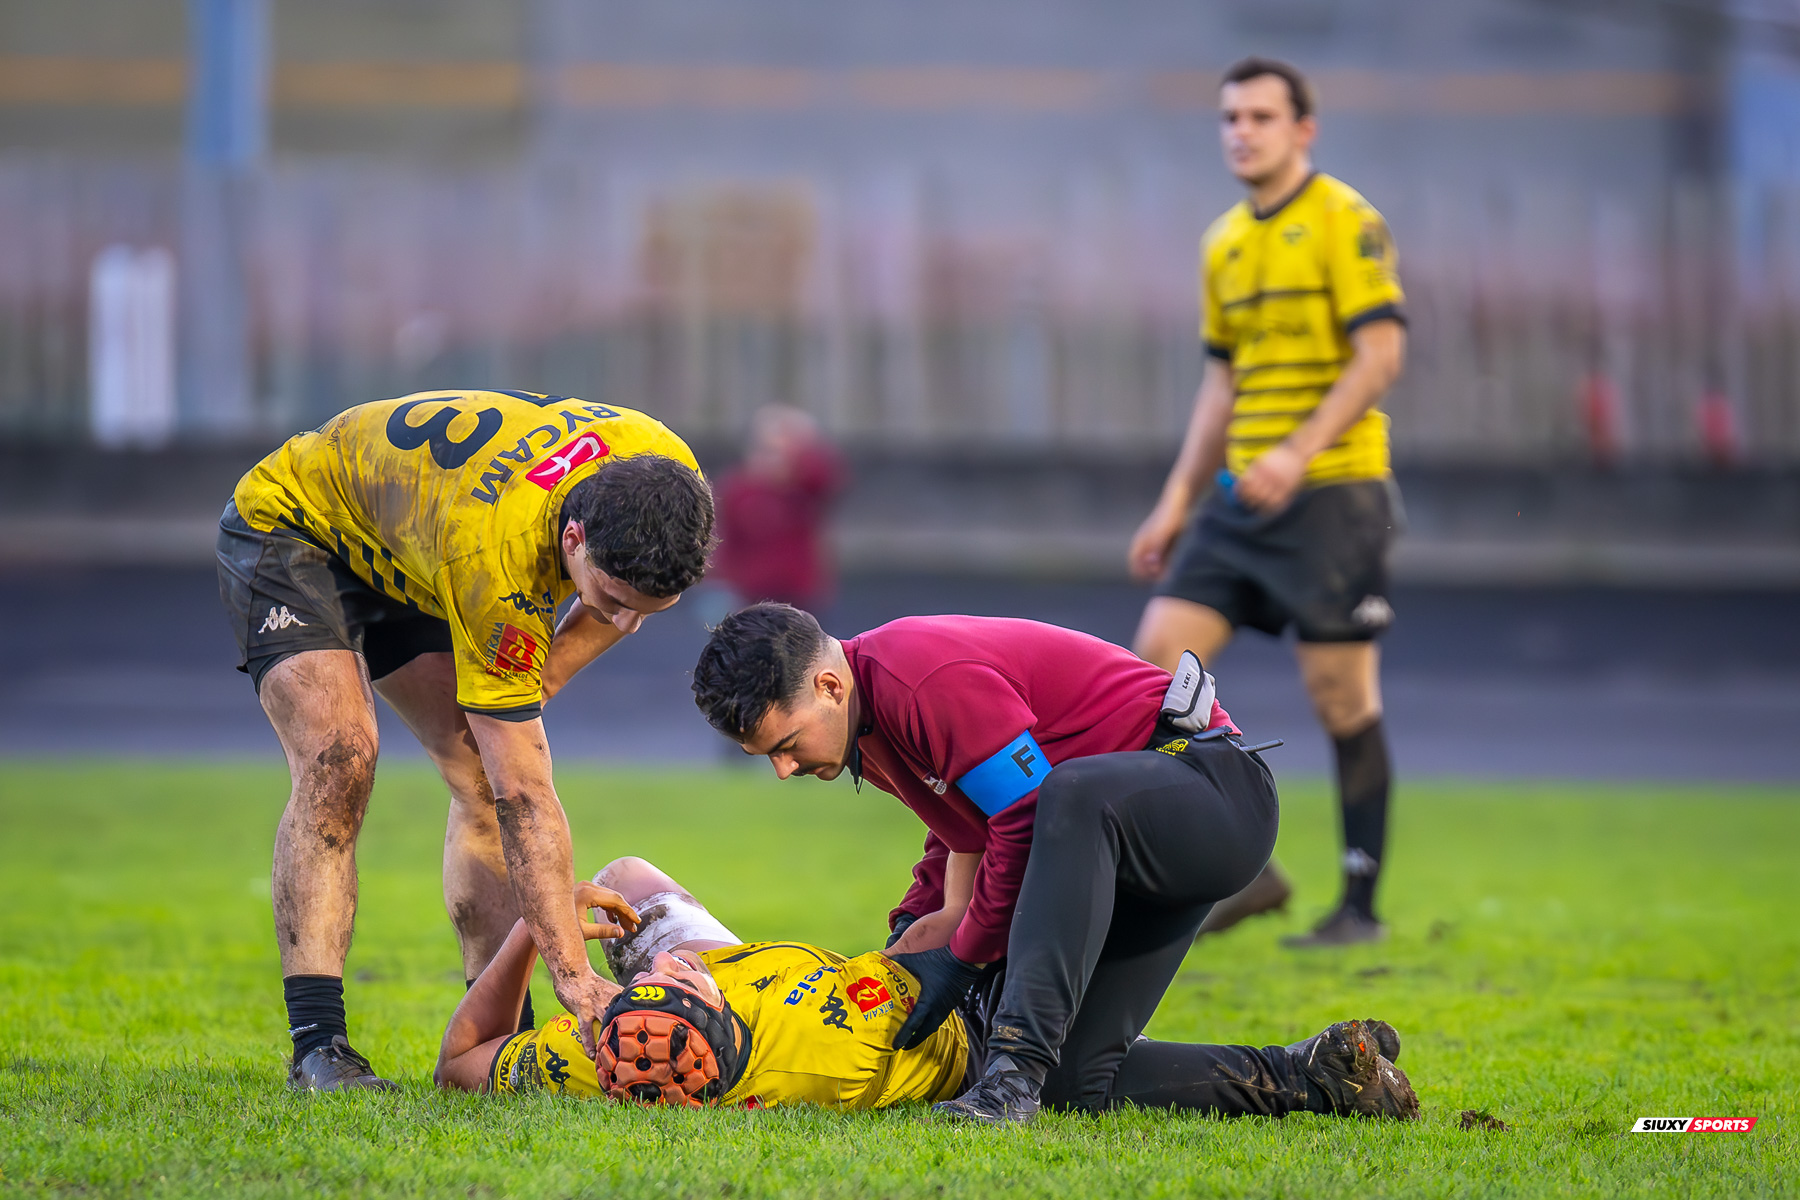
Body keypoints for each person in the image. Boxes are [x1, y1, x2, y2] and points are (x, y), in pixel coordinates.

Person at [689, 603, 1418, 1124]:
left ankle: (1009, 1084)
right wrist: (912, 928)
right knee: (1079, 1080)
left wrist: (964, 956)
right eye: (767, 758)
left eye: (785, 744)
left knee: (1064, 797)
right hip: (1116, 840)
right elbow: (958, 827)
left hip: (1212, 795)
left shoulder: (916, 674)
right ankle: (1314, 1076)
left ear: (827, 686)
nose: (783, 769)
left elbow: (1024, 815)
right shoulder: (863, 722)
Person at [217, 388, 713, 1091]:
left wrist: (530, 683)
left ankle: (504, 1044)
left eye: (648, 610)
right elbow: (528, 793)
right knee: (342, 760)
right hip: (300, 524)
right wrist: (575, 976)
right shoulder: (497, 559)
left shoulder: (670, 482)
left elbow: (537, 690)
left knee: (481, 772)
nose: (623, 623)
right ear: (573, 539)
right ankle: (318, 1048)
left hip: (421, 542)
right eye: (609, 602)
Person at [435, 857, 1417, 1124]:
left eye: (645, 979)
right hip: (967, 1017)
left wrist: (543, 926)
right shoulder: (811, 1037)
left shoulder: (589, 1061)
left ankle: (1296, 1065)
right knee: (1083, 1067)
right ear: (717, 998)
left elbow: (460, 1060)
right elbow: (939, 953)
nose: (662, 966)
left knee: (632, 875)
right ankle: (1206, 903)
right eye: (672, 974)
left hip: (878, 987)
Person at [1127, 57, 1408, 947]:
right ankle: (1246, 874)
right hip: (1240, 501)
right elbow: (1220, 386)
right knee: (1155, 664)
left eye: (1259, 116)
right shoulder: (1224, 243)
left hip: (1335, 495)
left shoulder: (1346, 222)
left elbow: (1381, 356)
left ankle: (1358, 906)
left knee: (1339, 696)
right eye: (1229, 118)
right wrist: (1174, 503)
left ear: (1302, 129)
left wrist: (1297, 451)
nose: (1241, 131)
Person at [709, 405, 845, 613]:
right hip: (750, 594)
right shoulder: (739, 488)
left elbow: (828, 476)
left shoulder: (803, 488)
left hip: (799, 594)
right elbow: (725, 539)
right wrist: (719, 581)